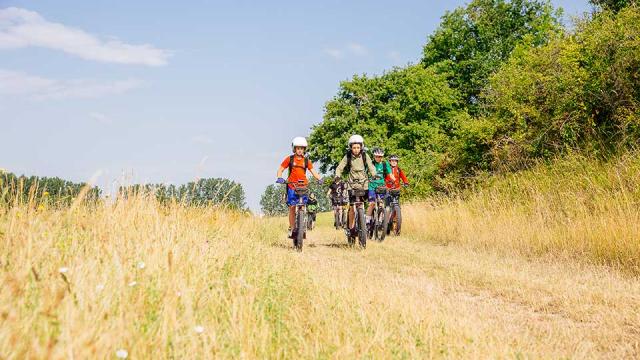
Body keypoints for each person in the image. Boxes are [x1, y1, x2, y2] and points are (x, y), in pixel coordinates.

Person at [276, 137, 322, 238]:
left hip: (303, 186)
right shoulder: (290, 159)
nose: (300, 150)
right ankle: (292, 228)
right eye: (298, 148)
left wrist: (319, 179)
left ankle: (302, 224)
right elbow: (281, 169)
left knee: (303, 205)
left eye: (302, 148)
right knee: (292, 207)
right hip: (292, 186)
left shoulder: (306, 161)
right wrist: (279, 177)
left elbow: (313, 171)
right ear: (294, 149)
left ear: (304, 149)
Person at [335, 134, 376, 237]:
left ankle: (364, 223)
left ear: (361, 147)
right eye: (354, 147)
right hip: (351, 184)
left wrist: (374, 174)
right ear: (351, 147)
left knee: (365, 203)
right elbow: (340, 167)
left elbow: (371, 166)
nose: (356, 149)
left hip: (364, 184)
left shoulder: (365, 155)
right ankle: (350, 228)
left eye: (358, 147)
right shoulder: (348, 156)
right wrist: (337, 176)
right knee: (352, 207)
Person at [367, 148, 395, 224]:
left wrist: (394, 180)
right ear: (374, 156)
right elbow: (364, 173)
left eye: (380, 156)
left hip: (381, 186)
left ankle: (380, 220)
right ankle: (367, 221)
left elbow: (390, 174)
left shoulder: (385, 164)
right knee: (372, 203)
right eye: (377, 156)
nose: (378, 158)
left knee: (381, 203)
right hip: (372, 186)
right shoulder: (370, 164)